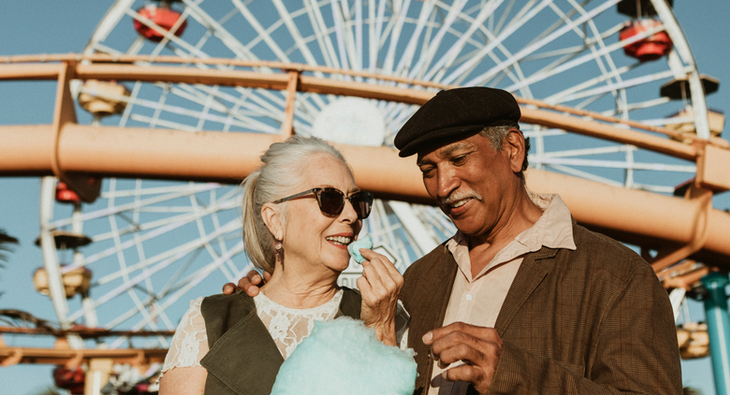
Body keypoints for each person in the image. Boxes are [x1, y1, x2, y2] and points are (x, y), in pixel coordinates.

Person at [234, 87, 683, 395]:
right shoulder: (420, 279)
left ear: (512, 150)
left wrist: (513, 375)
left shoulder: (614, 275)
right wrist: (271, 303)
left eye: (459, 158)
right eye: (428, 170)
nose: (443, 184)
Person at [160, 136, 405, 395]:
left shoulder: (390, 318)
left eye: (358, 201)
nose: (352, 215)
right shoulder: (208, 322)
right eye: (330, 199)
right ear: (275, 220)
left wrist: (381, 332)